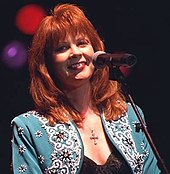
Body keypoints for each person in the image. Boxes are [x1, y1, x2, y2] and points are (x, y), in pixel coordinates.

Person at [11, 3, 161, 174]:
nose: (75, 52)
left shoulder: (130, 115)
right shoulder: (29, 127)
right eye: (62, 48)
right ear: (48, 64)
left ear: (95, 52)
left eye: (82, 43)